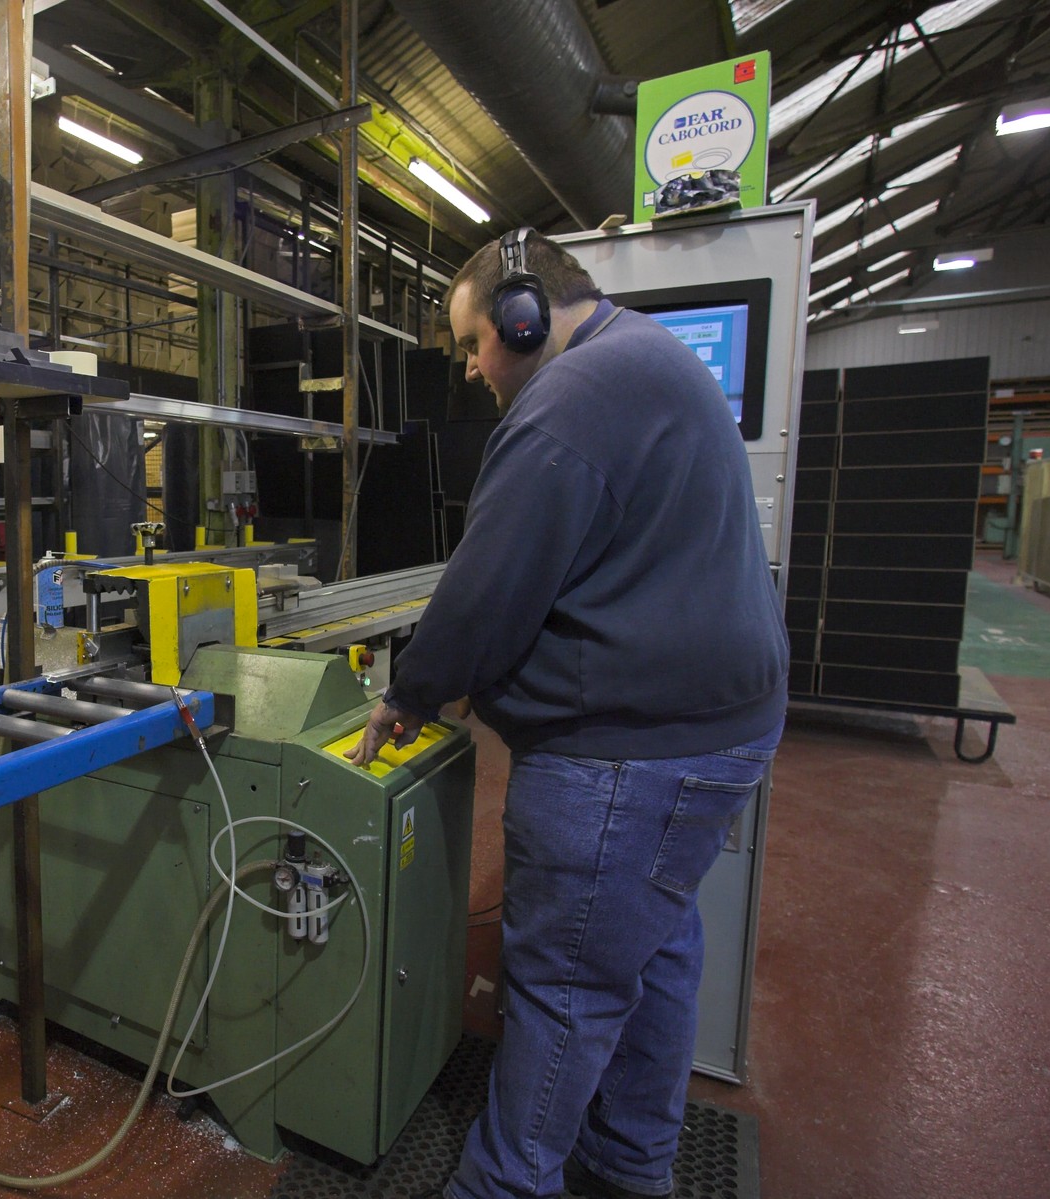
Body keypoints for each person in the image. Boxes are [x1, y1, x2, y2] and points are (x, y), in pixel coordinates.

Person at [345, 229, 788, 1199]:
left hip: (631, 753)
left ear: (523, 317)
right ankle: (629, 1159)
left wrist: (412, 691)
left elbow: (485, 590)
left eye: (473, 342)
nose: (471, 368)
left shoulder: (567, 402)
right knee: (653, 946)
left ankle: (505, 1183)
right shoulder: (642, 352)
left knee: (565, 984)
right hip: (717, 729)